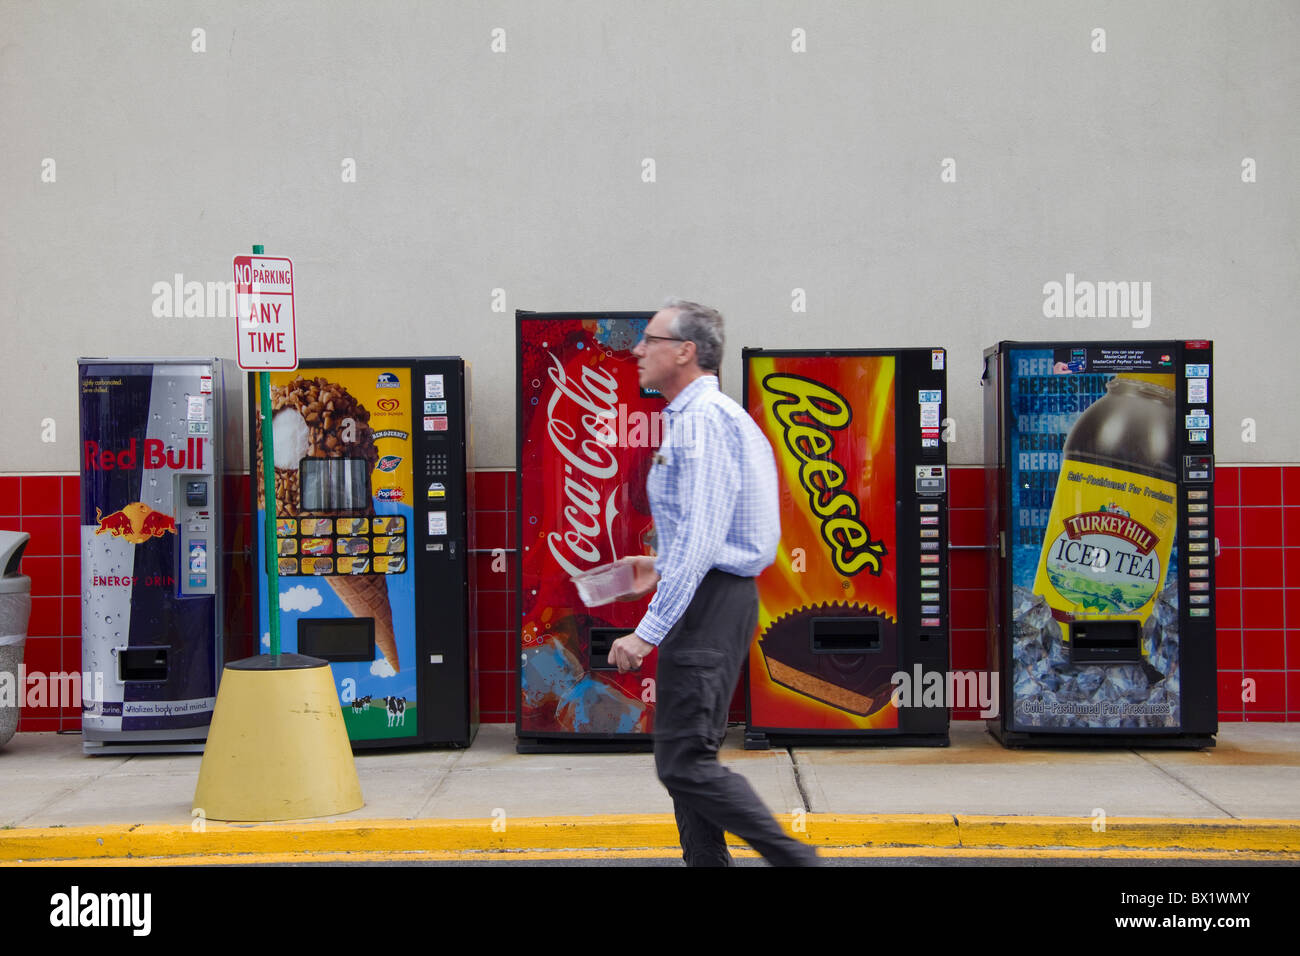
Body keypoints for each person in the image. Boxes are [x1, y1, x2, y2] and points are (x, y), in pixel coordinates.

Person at [607, 299, 819, 867]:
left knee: (685, 762)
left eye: (650, 339)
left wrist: (646, 631)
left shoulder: (702, 423)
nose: (637, 350)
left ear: (686, 351)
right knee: (683, 760)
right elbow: (701, 538)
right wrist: (650, 571)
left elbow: (701, 543)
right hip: (708, 596)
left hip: (710, 602)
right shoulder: (696, 418)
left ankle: (800, 861)